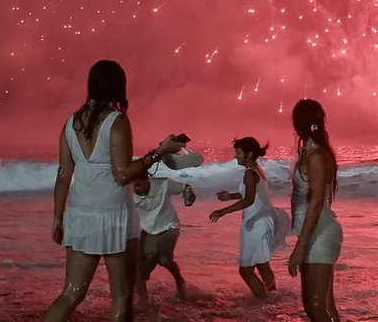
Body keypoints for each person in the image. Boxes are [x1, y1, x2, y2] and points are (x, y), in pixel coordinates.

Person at [45, 60, 185, 322]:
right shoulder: (116, 121)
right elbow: (122, 174)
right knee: (121, 296)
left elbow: (64, 175)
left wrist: (57, 217)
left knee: (71, 294)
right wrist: (159, 152)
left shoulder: (70, 123)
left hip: (80, 215)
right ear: (118, 86)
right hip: (114, 216)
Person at [209, 137, 289, 298]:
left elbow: (249, 199)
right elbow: (251, 194)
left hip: (257, 222)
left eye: (239, 153)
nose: (235, 156)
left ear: (249, 154)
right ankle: (273, 297)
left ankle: (264, 300)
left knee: (245, 269)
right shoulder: (256, 170)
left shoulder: (250, 173)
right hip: (264, 218)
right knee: (261, 263)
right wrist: (230, 196)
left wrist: (222, 211)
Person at [288, 100, 344, 322]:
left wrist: (300, 248)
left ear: (298, 123)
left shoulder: (317, 156)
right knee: (321, 306)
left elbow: (316, 203)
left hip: (319, 233)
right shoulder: (309, 153)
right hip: (312, 231)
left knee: (316, 306)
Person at [132, 168, 195, 301]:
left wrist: (189, 196)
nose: (135, 189)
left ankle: (179, 281)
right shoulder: (129, 193)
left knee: (164, 260)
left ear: (146, 179)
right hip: (148, 230)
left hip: (169, 226)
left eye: (138, 185)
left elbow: (185, 187)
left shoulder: (163, 184)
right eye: (133, 185)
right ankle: (145, 303)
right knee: (139, 272)